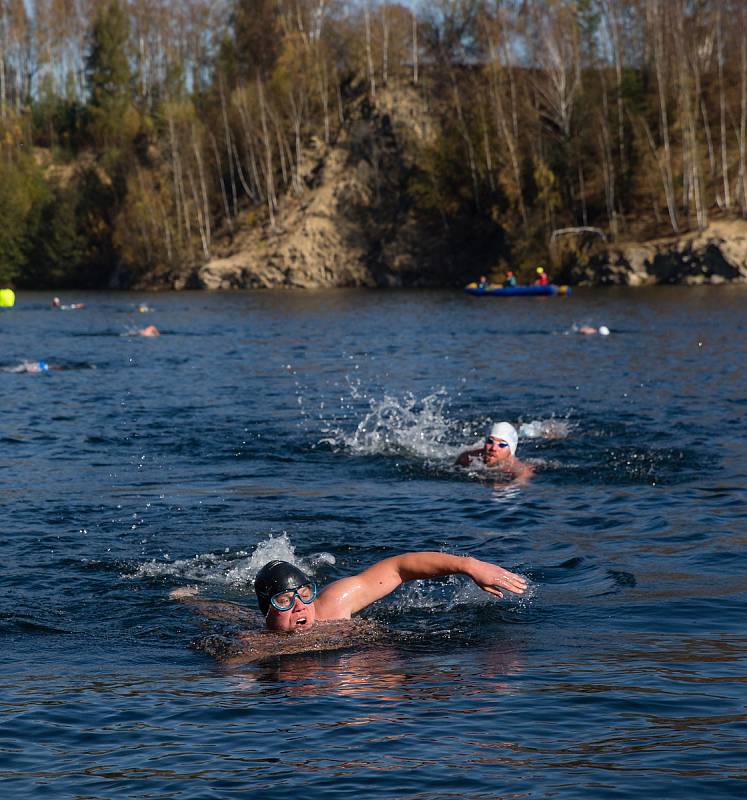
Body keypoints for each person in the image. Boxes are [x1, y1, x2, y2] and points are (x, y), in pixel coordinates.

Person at [171, 552, 527, 638]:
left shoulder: (334, 604)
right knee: (225, 614)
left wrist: (468, 565)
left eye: (305, 595)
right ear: (267, 608)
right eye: (283, 601)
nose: (299, 607)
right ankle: (187, 597)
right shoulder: (255, 643)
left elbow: (398, 568)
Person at [455, 421, 534, 482]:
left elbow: (520, 483)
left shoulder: (517, 469)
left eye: (502, 445)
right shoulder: (467, 458)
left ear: (511, 450)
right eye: (490, 441)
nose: (493, 448)